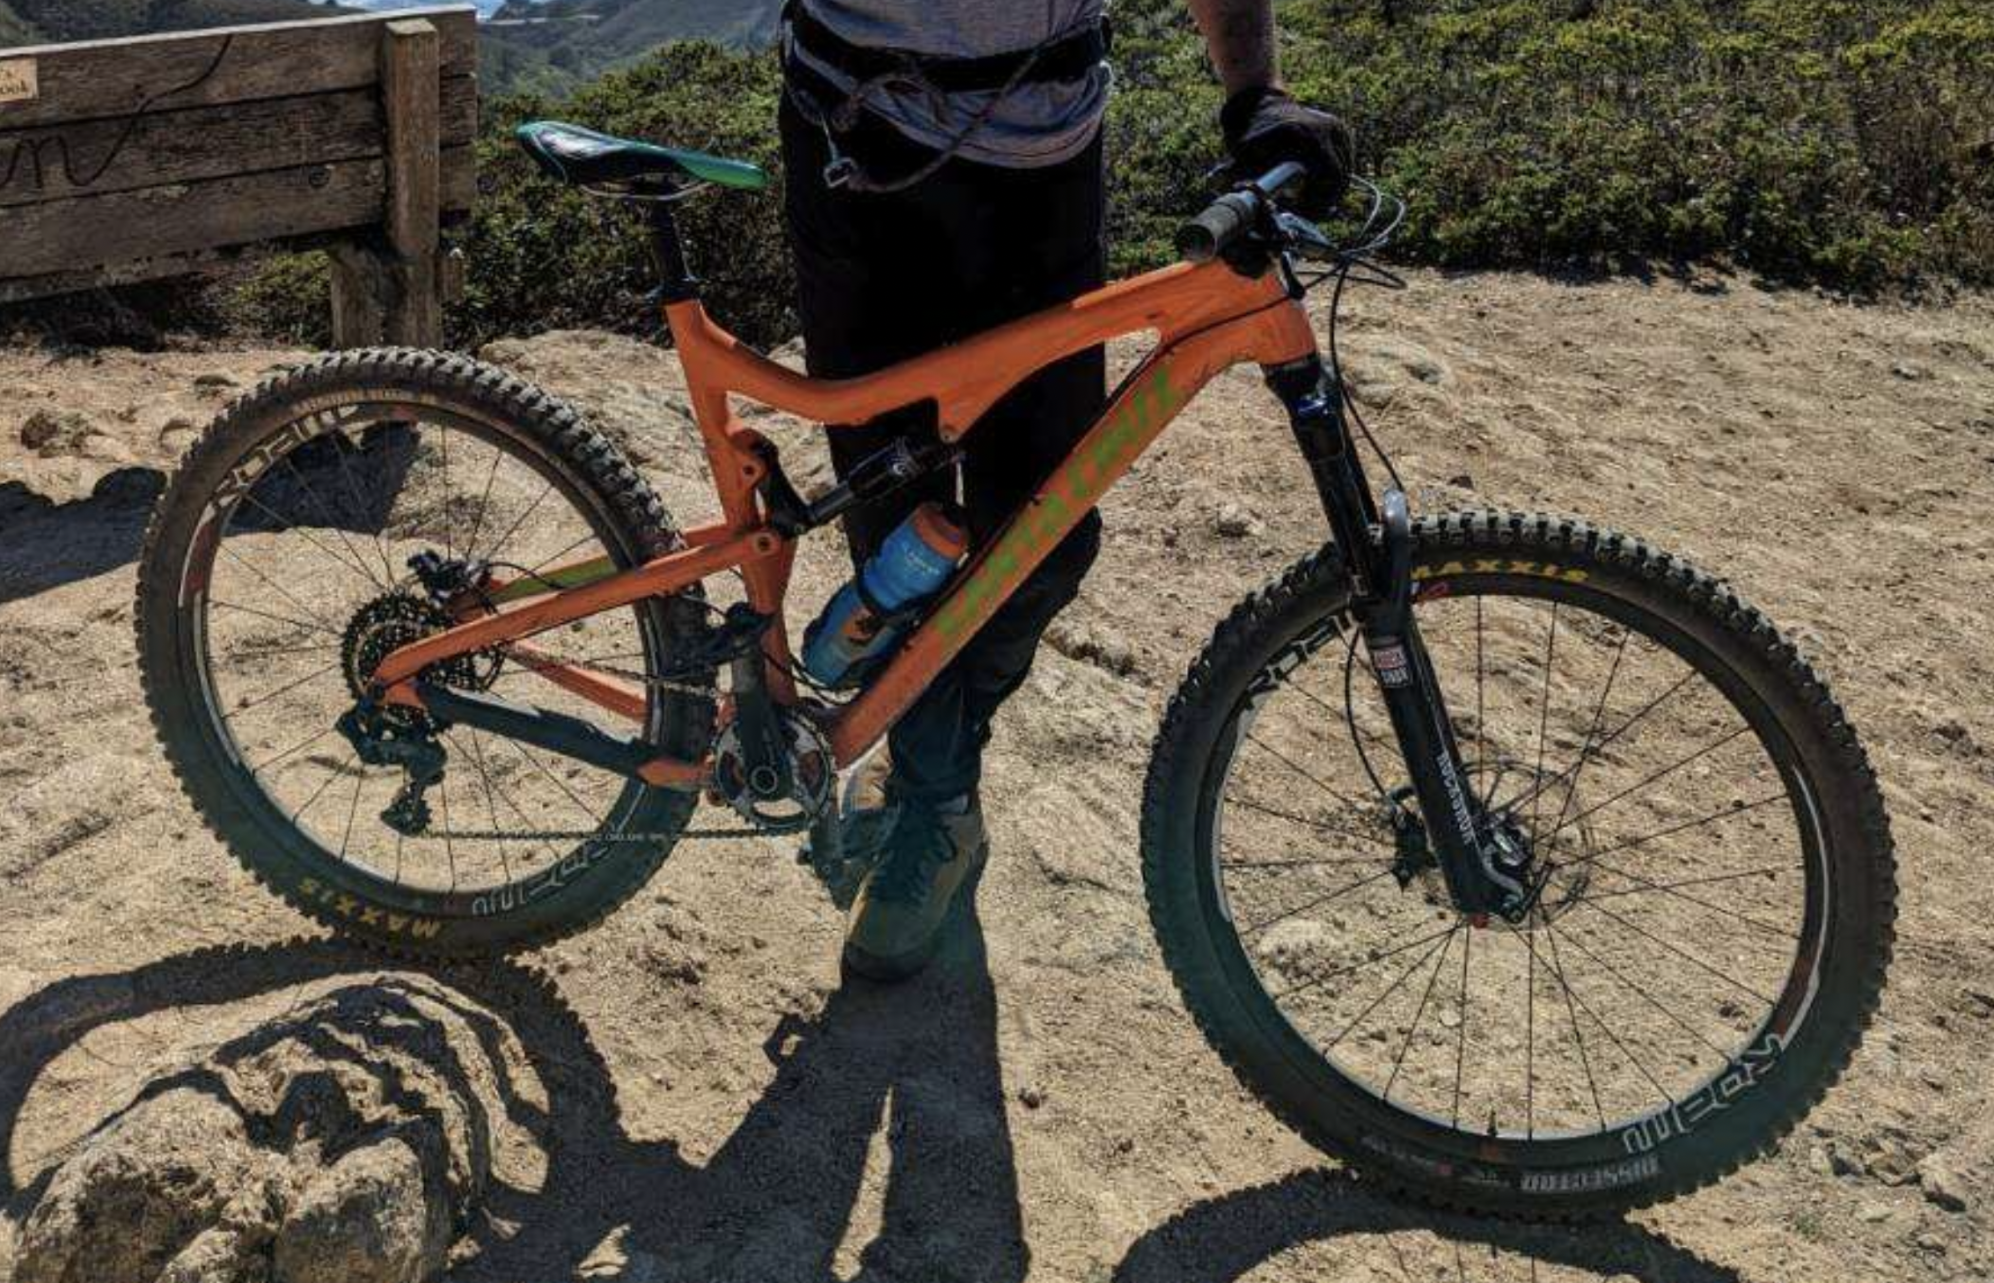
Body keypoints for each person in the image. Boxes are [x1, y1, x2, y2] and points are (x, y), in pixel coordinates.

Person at [782, 0, 1353, 980]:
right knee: (898, 530)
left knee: (1041, 533)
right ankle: (935, 799)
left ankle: (927, 747)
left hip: (1037, 164)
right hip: (846, 142)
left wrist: (1254, 92)